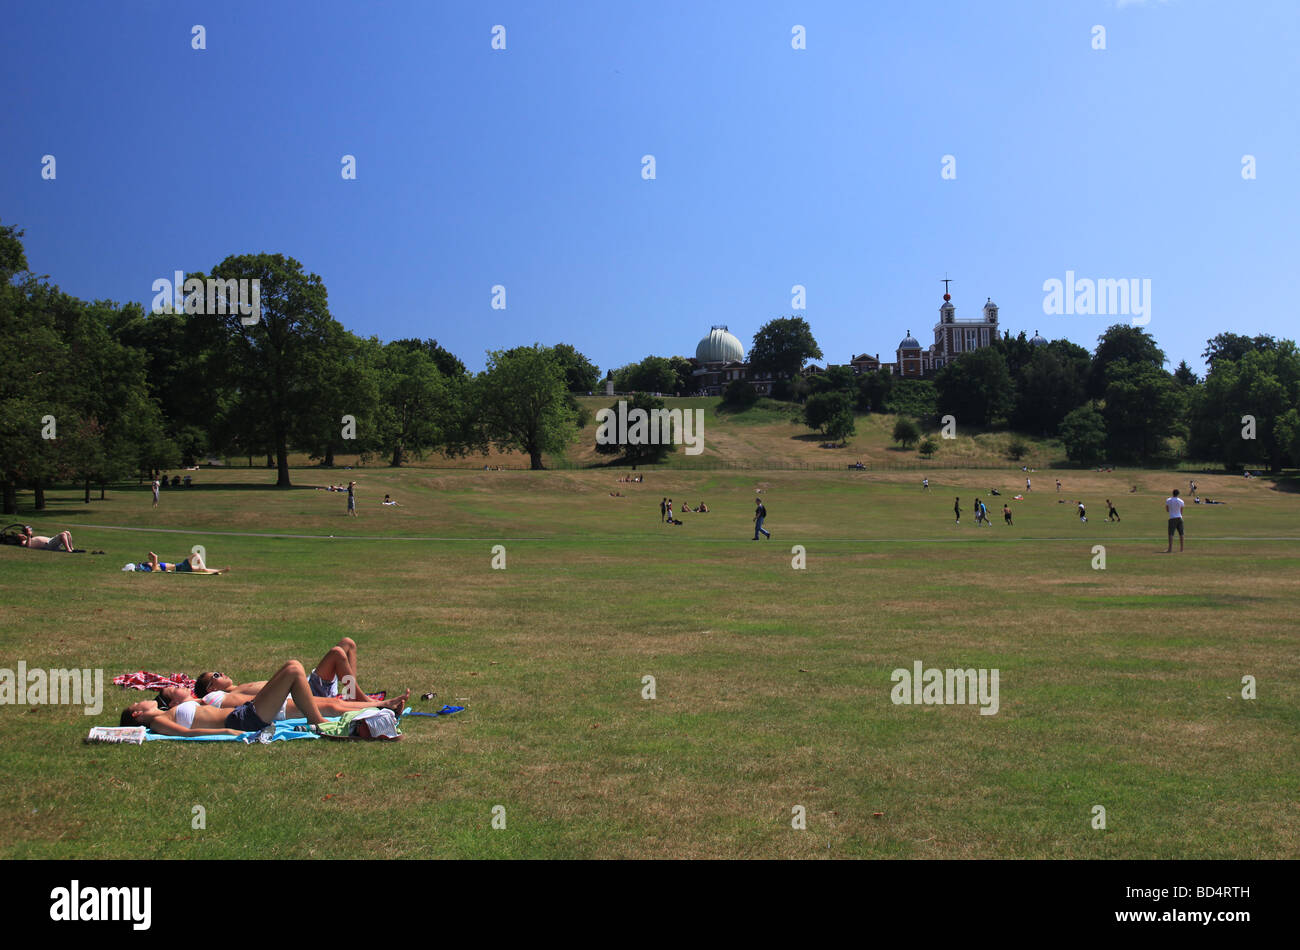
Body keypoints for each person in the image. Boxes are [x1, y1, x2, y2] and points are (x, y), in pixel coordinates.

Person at [121, 660, 327, 736]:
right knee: (293, 669)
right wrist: (228, 732)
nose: (145, 700)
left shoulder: (168, 712)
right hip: (242, 721)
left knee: (291, 667)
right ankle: (317, 721)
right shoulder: (158, 722)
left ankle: (315, 719)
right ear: (138, 714)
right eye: (138, 703)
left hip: (243, 712)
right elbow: (188, 734)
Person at [128, 551, 226, 574]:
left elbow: (154, 560)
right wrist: (151, 555)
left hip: (180, 567)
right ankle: (218, 569)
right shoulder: (155, 568)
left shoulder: (155, 566)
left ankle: (220, 570)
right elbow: (155, 557)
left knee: (203, 569)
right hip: (180, 566)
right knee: (196, 554)